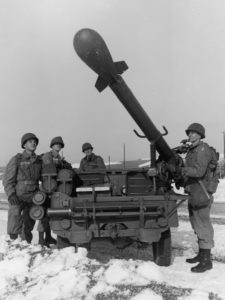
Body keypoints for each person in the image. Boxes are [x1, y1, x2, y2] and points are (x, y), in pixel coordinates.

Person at [182, 123, 215, 273]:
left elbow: (199, 171)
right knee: (196, 224)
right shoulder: (192, 150)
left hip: (202, 191)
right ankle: (201, 255)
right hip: (194, 191)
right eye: (189, 133)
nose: (190, 135)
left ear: (200, 135)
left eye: (194, 133)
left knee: (203, 224)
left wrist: (181, 170)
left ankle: (207, 260)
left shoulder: (202, 149)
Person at [3, 133, 42, 243]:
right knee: (14, 217)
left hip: (32, 197)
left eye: (35, 142)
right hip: (18, 195)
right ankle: (13, 242)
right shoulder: (17, 159)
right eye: (30, 141)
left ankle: (26, 245)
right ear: (24, 145)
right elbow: (7, 179)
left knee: (29, 222)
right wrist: (11, 194)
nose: (33, 143)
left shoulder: (39, 161)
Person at [37, 136, 72, 247]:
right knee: (44, 214)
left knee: (53, 215)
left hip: (56, 191)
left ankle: (48, 237)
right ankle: (41, 240)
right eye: (56, 144)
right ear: (52, 146)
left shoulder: (60, 159)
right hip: (47, 190)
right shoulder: (47, 157)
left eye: (60, 144)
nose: (58, 146)